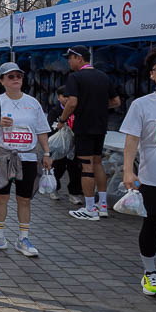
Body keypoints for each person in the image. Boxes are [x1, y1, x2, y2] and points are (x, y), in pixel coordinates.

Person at [0, 62, 52, 260]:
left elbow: (42, 129)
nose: (16, 79)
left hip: (27, 156)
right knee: (1, 197)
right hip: (3, 155)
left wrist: (47, 153)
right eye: (10, 76)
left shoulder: (32, 103)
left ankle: (23, 237)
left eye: (19, 75)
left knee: (24, 199)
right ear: (2, 81)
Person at [59, 45, 120, 221]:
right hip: (101, 126)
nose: (68, 62)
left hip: (84, 127)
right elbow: (115, 101)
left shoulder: (75, 77)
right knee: (97, 163)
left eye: (69, 58)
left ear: (79, 58)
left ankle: (89, 208)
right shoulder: (104, 76)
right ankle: (102, 206)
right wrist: (98, 108)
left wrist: (62, 120)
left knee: (86, 166)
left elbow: (71, 103)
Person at [121, 46, 156, 296]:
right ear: (151, 75)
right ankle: (150, 273)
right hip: (153, 180)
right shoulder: (142, 105)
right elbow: (131, 141)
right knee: (152, 226)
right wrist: (128, 171)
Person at [47, 86, 82, 204]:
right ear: (58, 97)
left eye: (69, 97)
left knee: (75, 170)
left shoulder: (78, 110)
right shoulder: (55, 111)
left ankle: (74, 193)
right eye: (64, 96)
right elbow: (51, 126)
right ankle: (54, 188)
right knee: (58, 168)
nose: (67, 99)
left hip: (74, 145)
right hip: (60, 146)